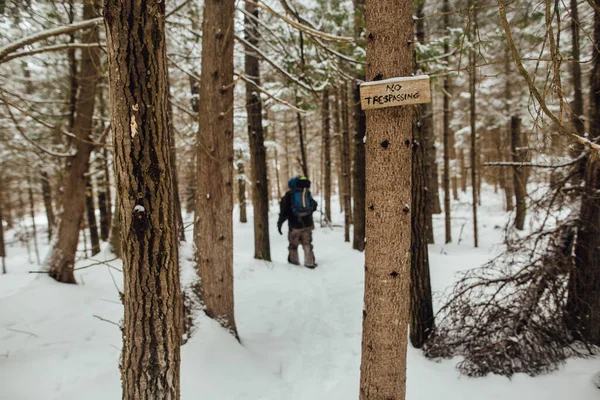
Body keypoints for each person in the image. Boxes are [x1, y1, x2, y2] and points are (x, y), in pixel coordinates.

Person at [277, 176, 318, 268]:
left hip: (294, 225)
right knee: (307, 243)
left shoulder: (289, 195)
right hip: (308, 224)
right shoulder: (307, 193)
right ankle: (309, 262)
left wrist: (279, 224)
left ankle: (294, 263)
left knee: (293, 245)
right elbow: (314, 205)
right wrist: (308, 213)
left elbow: (283, 212)